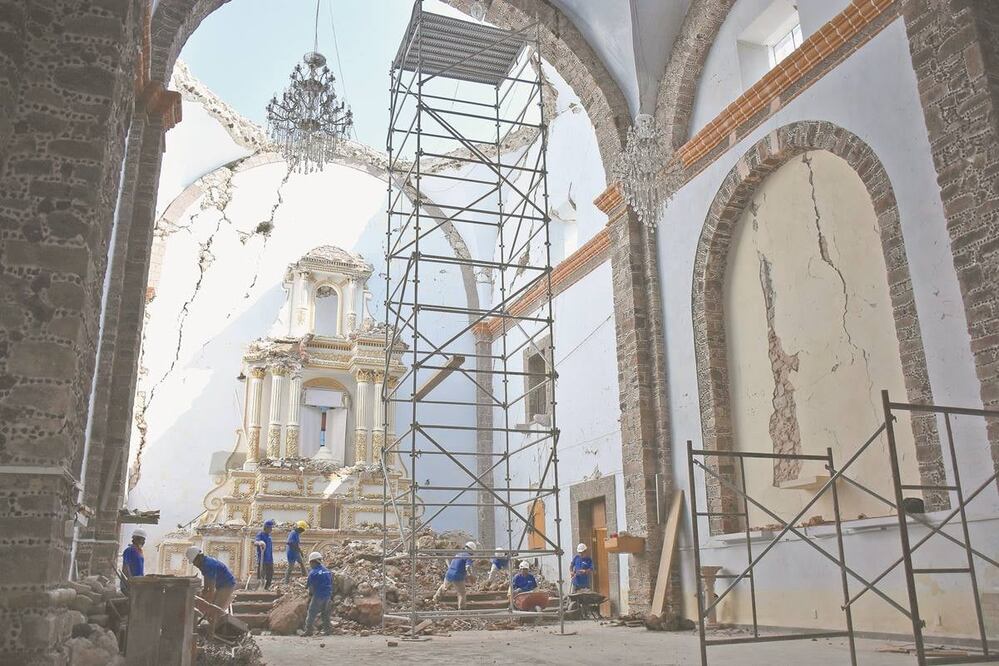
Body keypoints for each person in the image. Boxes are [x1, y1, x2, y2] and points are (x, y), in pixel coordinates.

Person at [187, 546, 237, 628]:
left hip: (227, 585)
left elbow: (211, 588)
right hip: (221, 586)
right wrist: (204, 593)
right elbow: (207, 584)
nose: (194, 564)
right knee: (211, 610)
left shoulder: (208, 565)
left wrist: (208, 602)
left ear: (198, 558)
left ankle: (223, 630)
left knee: (215, 610)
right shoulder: (203, 564)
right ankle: (215, 629)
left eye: (194, 562)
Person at [431, 541, 477, 610]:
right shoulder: (468, 556)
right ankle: (462, 608)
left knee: (444, 587)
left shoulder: (459, 553)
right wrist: (470, 576)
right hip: (458, 576)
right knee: (461, 593)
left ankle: (435, 599)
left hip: (449, 573)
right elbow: (467, 567)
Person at [303, 551, 333, 636]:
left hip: (318, 596)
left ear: (313, 562)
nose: (310, 565)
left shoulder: (313, 573)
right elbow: (331, 582)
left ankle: (308, 631)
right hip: (328, 595)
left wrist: (310, 596)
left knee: (311, 613)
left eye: (310, 563)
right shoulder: (327, 571)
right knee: (325, 614)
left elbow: (311, 587)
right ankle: (327, 630)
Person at [120, 528, 146, 594]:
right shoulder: (129, 550)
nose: (143, 542)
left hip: (138, 582)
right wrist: (130, 580)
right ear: (136, 539)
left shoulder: (139, 551)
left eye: (144, 540)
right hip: (130, 583)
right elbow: (126, 566)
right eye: (142, 540)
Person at [254, 519, 276, 590]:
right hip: (262, 559)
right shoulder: (260, 534)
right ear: (266, 528)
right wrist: (260, 542)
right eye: (270, 528)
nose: (271, 530)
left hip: (269, 559)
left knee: (270, 574)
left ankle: (267, 587)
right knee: (261, 574)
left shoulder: (269, 537)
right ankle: (260, 588)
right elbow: (255, 542)